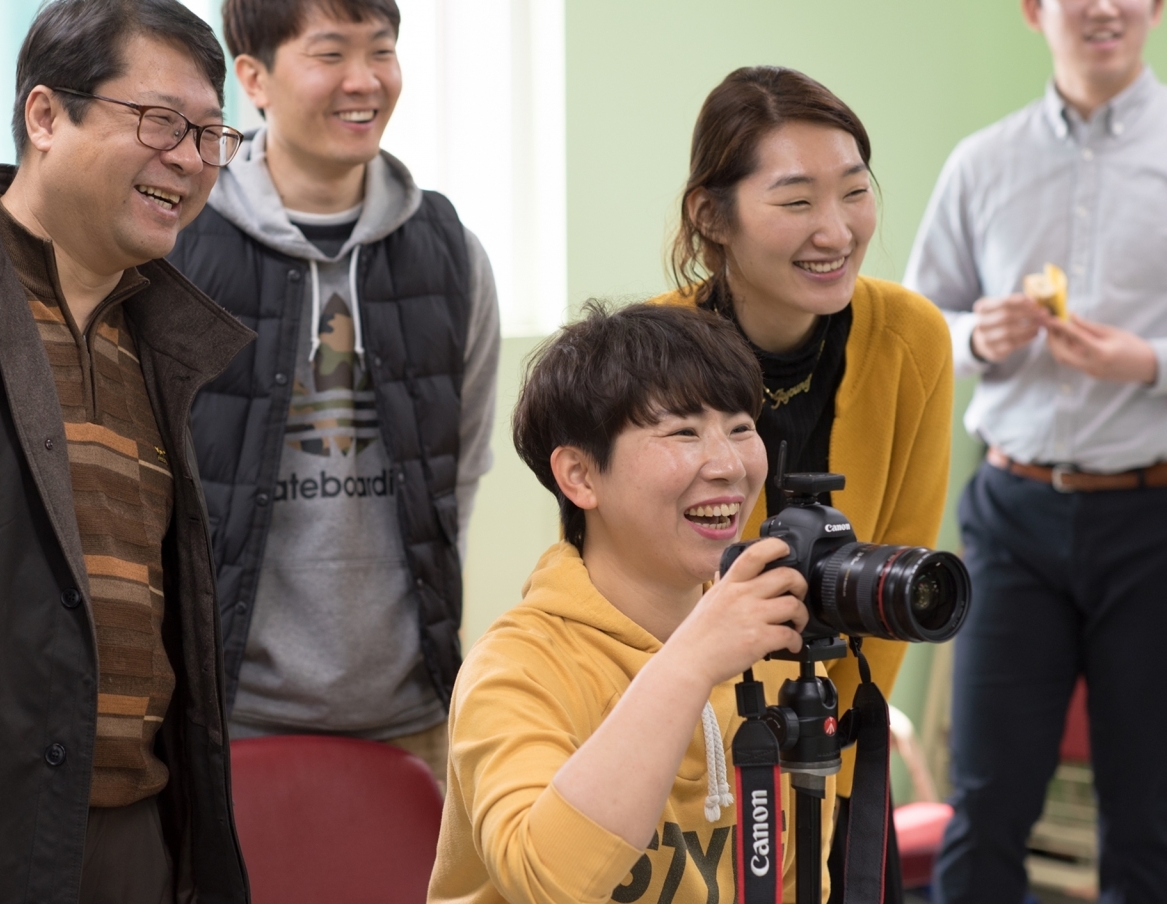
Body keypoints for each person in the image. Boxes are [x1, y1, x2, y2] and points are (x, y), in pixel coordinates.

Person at [0, 1, 252, 901]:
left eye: (211, 136)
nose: (189, 159)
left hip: (136, 839)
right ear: (45, 116)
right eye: (161, 122)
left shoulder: (168, 341)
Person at [167, 0, 499, 784]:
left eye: (381, 50)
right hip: (226, 719)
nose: (365, 81)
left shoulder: (450, 253)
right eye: (330, 54)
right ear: (254, 78)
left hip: (417, 717)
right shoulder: (182, 248)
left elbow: (462, 473)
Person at [655, 66, 954, 897]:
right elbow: (624, 590)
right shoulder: (648, 354)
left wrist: (831, 741)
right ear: (710, 215)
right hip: (690, 758)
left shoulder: (912, 338)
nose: (837, 229)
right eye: (796, 202)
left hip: (841, 745)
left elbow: (891, 582)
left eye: (854, 192)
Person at [904, 1, 1167, 900]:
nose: (1103, 7)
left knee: (1151, 818)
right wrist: (981, 336)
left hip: (1153, 520)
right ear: (1033, 10)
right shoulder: (982, 163)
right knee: (986, 807)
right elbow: (914, 333)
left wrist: (1149, 363)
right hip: (1011, 519)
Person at [428, 301, 813, 904]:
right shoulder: (516, 667)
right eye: (683, 432)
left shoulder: (762, 643)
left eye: (741, 427)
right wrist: (690, 662)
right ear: (579, 477)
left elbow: (795, 883)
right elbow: (545, 879)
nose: (731, 465)